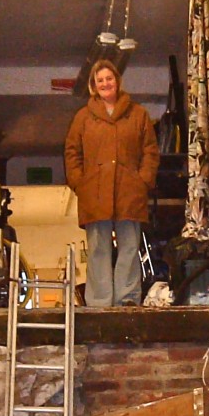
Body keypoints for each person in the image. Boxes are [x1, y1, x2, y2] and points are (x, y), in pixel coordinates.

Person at [64, 59, 160, 307]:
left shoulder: (138, 114)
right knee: (98, 248)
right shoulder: (83, 118)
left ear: (117, 81)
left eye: (109, 78)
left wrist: (143, 180)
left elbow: (150, 150)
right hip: (94, 193)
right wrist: (79, 182)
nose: (105, 83)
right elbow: (72, 152)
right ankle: (99, 301)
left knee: (129, 245)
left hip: (130, 191)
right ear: (93, 86)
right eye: (100, 80)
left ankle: (127, 298)